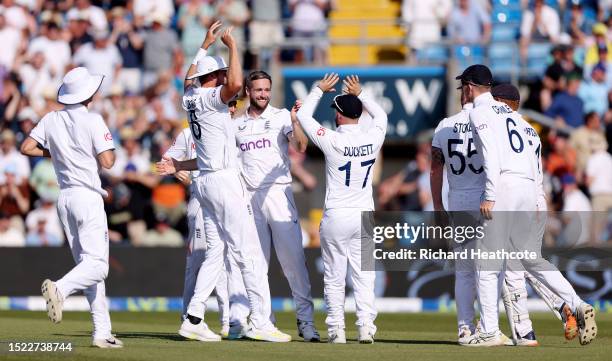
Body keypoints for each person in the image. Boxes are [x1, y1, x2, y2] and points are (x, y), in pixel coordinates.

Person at [155, 21, 291, 342]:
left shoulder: (189, 97)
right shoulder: (211, 99)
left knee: (216, 253)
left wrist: (203, 45)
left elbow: (189, 79)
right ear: (212, 78)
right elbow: (234, 84)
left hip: (204, 181)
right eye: (218, 74)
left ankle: (194, 316)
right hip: (223, 182)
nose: (222, 77)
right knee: (249, 253)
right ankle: (260, 321)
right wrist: (232, 47)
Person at [463, 65, 596, 346]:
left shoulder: (483, 112)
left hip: (505, 188)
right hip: (530, 195)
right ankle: (571, 304)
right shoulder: (526, 126)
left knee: (488, 262)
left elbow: (491, 156)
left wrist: (489, 194)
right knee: (527, 260)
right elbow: (535, 170)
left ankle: (490, 331)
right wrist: (537, 200)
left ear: (471, 87)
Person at [20, 67, 122, 348]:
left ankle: (101, 332)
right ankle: (60, 289)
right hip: (87, 197)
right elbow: (109, 162)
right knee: (98, 267)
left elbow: (27, 147)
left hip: (64, 200)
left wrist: (59, 153)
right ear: (89, 94)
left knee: (88, 266)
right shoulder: (94, 120)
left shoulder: (51, 119)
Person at [296, 74, 387, 344]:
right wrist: (362, 94)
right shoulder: (374, 137)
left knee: (334, 277)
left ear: (339, 115)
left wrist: (317, 90)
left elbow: (303, 118)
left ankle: (336, 330)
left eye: (335, 110)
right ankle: (366, 327)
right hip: (364, 216)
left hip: (337, 214)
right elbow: (381, 115)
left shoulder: (332, 139)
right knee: (364, 276)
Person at [232, 70, 319, 341]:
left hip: (279, 195)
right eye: (258, 90)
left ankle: (306, 323)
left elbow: (302, 146)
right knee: (256, 263)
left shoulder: (281, 116)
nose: (263, 94)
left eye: (267, 89)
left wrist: (295, 122)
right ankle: (262, 321)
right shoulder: (235, 123)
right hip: (249, 198)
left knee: (293, 260)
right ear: (248, 91)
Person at [164, 123, 230, 338]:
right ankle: (189, 318)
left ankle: (228, 321)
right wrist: (179, 170)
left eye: (233, 105)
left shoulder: (230, 128)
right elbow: (166, 161)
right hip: (200, 201)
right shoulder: (187, 133)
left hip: (226, 200)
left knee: (224, 259)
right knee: (198, 260)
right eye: (228, 104)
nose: (230, 109)